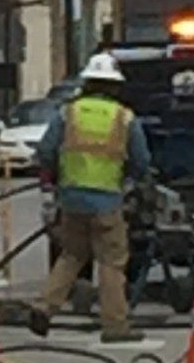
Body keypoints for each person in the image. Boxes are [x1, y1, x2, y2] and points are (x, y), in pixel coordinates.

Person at [27, 51, 151, 343]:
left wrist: (57, 181)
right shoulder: (124, 117)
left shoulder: (68, 112)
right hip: (107, 200)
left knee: (72, 254)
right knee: (111, 261)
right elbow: (142, 160)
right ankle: (115, 325)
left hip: (71, 198)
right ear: (114, 86)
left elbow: (45, 152)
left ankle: (44, 307)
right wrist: (130, 181)